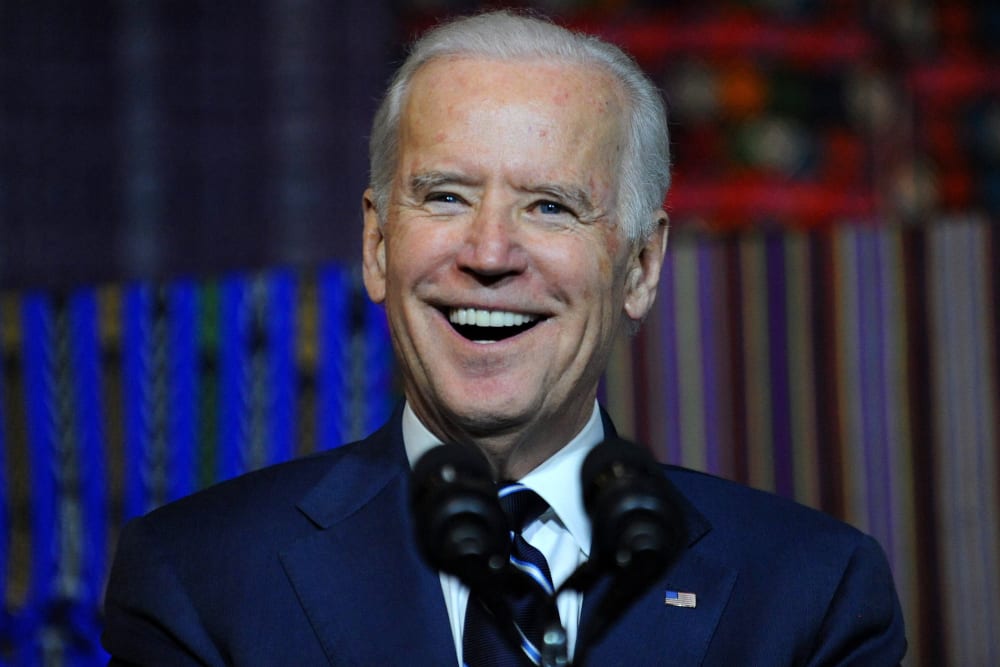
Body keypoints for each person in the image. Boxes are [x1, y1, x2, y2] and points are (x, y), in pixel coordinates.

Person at [102, 10, 906, 666]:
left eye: (550, 206)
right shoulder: (196, 581)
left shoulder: (812, 592)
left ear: (640, 267)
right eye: (446, 196)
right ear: (378, 246)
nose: (488, 253)